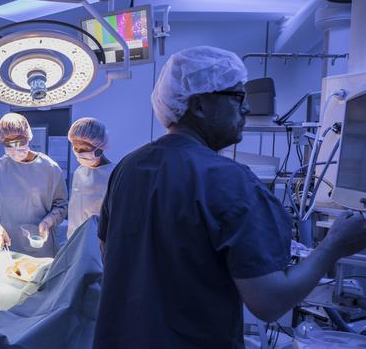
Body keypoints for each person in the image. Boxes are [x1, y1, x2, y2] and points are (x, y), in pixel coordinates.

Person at [93, 46, 366, 348]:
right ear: (198, 105)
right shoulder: (228, 179)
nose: (246, 109)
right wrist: (334, 246)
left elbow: (110, 253)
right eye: (237, 98)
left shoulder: (129, 167)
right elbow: (269, 302)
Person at [0, 113, 68, 258]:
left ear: (28, 137)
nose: (15, 147)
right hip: (9, 247)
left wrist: (49, 221)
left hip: (43, 249)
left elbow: (61, 205)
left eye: (20, 141)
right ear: (2, 141)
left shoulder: (50, 168)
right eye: (9, 143)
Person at [67, 117, 115, 239]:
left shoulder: (114, 174)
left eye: (84, 149)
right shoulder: (79, 172)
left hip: (100, 243)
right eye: (75, 148)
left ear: (100, 148)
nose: (79, 153)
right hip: (75, 240)